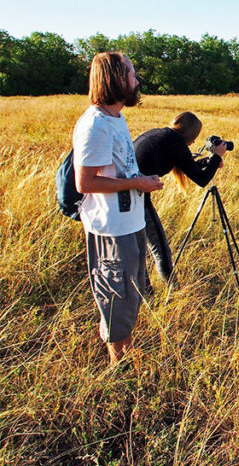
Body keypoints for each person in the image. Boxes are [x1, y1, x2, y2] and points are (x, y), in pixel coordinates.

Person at [73, 52, 164, 364]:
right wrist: (137, 183)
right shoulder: (95, 125)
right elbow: (85, 182)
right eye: (131, 74)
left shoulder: (116, 119)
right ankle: (118, 367)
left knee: (130, 297)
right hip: (111, 229)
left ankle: (126, 355)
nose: (136, 80)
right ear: (114, 79)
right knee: (117, 300)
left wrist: (141, 180)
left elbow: (118, 170)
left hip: (130, 223)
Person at [133, 112, 227, 288]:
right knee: (160, 248)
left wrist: (209, 161)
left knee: (137, 250)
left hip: (125, 194)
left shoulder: (162, 135)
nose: (194, 142)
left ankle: (145, 294)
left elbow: (187, 166)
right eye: (194, 137)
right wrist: (216, 156)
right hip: (135, 197)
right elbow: (202, 180)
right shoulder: (175, 143)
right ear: (190, 133)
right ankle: (173, 290)